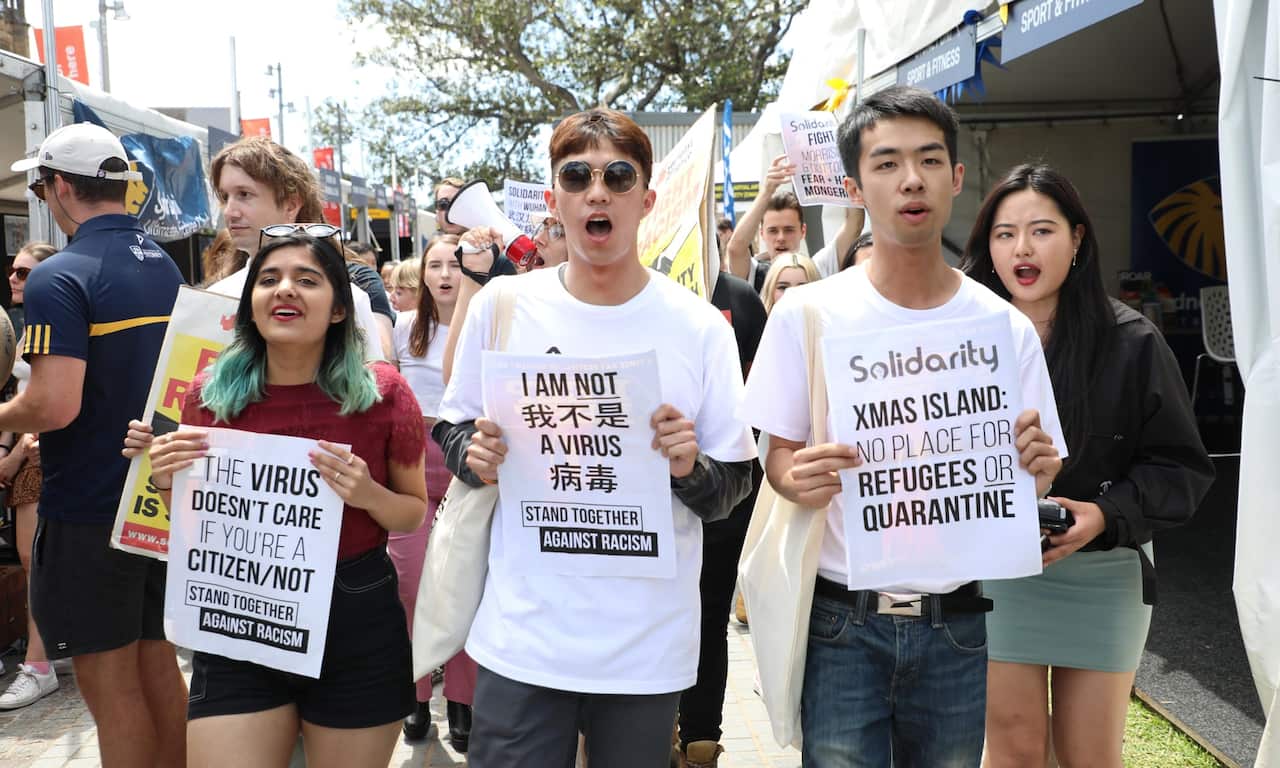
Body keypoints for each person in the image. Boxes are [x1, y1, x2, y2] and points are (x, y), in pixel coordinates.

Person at [741, 85, 1065, 768]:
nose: (911, 179)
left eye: (928, 160)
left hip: (956, 624)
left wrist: (1038, 468)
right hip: (841, 621)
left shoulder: (1002, 328)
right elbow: (778, 458)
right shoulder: (808, 315)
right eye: (886, 163)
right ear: (855, 187)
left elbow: (1034, 472)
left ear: (956, 177)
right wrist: (795, 477)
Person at [433, 107, 756, 767]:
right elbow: (452, 426)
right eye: (577, 177)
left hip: (645, 652)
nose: (597, 192)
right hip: (521, 642)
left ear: (647, 201)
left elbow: (733, 487)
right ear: (555, 201)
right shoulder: (503, 307)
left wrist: (688, 467)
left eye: (618, 177)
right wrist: (473, 454)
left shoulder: (699, 327)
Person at [960, 164, 1214, 768]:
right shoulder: (962, 340)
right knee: (1014, 751)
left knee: (1090, 755)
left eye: (1041, 230)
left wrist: (1102, 515)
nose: (1022, 249)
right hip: (1000, 573)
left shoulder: (1133, 341)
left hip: (1106, 572)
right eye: (1004, 234)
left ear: (1077, 238)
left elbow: (1181, 469)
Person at [146, 232, 428, 768]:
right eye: (269, 280)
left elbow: (413, 511)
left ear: (340, 308)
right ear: (250, 304)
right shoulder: (208, 395)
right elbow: (193, 527)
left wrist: (368, 494)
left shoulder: (384, 393)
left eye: (307, 280)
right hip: (238, 618)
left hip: (355, 620)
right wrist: (165, 481)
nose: (285, 290)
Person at [0, 122, 187, 767]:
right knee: (159, 668)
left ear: (58, 187)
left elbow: (54, 404)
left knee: (110, 690)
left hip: (88, 507)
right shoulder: (162, 262)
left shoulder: (59, 275)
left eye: (39, 187)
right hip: (154, 496)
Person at [387, 235, 479, 749]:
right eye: (435, 265)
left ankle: (462, 700)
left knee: (464, 583)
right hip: (414, 463)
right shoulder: (403, 328)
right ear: (422, 274)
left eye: (455, 264)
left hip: (467, 464)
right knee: (411, 583)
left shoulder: (484, 322)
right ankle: (417, 695)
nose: (445, 274)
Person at [674, 266, 768, 768]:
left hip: (723, 486)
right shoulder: (628, 291)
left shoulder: (738, 297)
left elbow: (764, 391)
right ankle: (658, 730)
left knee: (709, 615)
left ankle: (701, 740)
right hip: (646, 497)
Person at [208, 137, 392, 361]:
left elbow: (375, 378)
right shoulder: (214, 298)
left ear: (291, 205)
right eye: (225, 197)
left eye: (244, 194)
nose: (230, 212)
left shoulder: (348, 299)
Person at [0, 241, 63, 710]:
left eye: (23, 272)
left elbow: (46, 402)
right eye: (13, 270)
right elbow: (20, 394)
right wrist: (8, 449)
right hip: (27, 456)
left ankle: (39, 666)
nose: (13, 278)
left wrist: (18, 450)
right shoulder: (25, 330)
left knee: (36, 560)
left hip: (44, 455)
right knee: (36, 561)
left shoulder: (57, 322)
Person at [724, 155, 807, 292]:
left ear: (803, 231)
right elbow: (735, 249)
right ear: (762, 233)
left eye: (788, 230)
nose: (781, 238)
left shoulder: (817, 270)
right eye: (773, 231)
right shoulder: (755, 274)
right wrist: (766, 191)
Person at [811, 206, 866, 279]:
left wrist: (850, 198)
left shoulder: (816, 267)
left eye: (791, 230)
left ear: (803, 231)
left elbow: (855, 223)